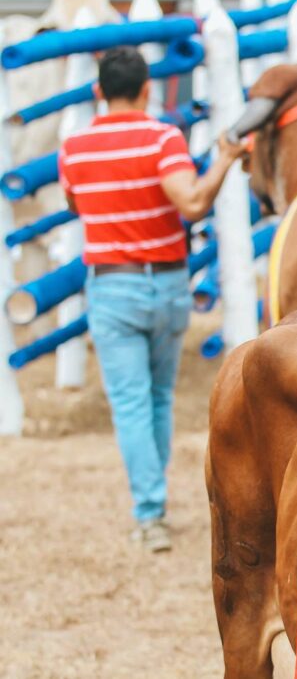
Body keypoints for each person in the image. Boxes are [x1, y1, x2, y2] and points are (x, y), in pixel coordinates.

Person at [58, 47, 246, 552]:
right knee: (159, 397)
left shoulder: (73, 148)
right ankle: (154, 502)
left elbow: (74, 202)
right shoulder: (163, 138)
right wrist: (224, 160)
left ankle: (150, 511)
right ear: (147, 89)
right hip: (166, 283)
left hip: (112, 285)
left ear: (99, 91)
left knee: (131, 404)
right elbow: (191, 201)